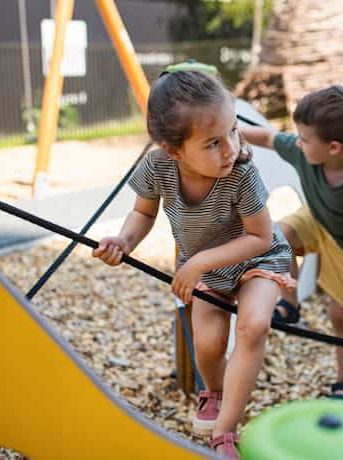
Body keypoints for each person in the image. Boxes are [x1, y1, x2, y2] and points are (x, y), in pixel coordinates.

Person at [92, 68, 295, 459]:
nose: (230, 148)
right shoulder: (157, 168)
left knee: (253, 327)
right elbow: (143, 215)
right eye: (214, 143)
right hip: (208, 270)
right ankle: (215, 391)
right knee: (208, 341)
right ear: (173, 150)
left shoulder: (241, 173)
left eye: (233, 132)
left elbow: (259, 237)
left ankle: (226, 430)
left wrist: (198, 261)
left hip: (258, 257)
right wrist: (123, 241)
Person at [241, 85, 343, 401]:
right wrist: (231, 130)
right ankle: (289, 304)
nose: (298, 142)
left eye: (304, 139)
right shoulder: (304, 150)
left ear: (333, 147)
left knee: (339, 315)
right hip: (318, 218)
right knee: (276, 237)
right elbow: (266, 137)